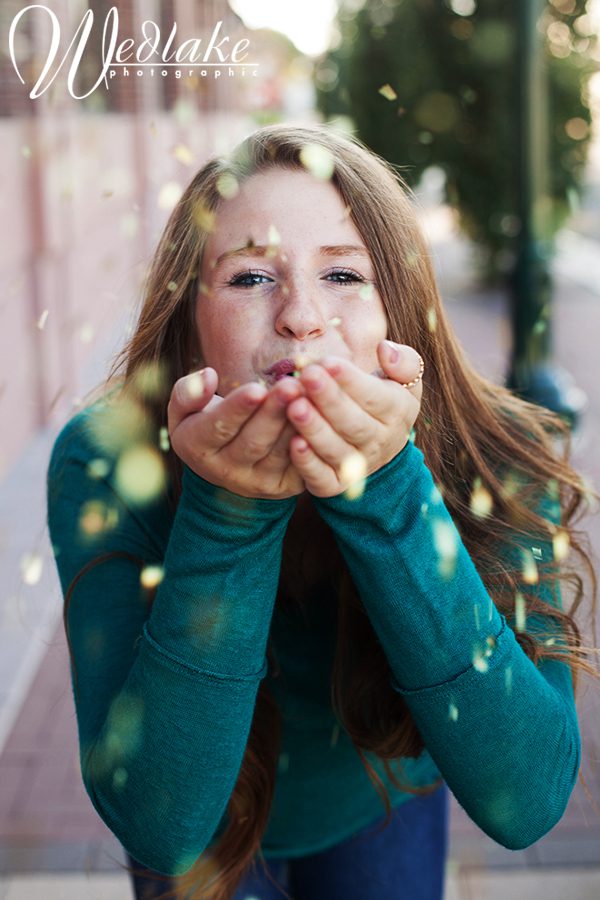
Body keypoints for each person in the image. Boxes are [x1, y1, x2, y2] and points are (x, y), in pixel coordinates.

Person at [46, 123, 597, 900]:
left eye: (343, 275)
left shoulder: (496, 453)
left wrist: (387, 491)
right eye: (247, 278)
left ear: (401, 312)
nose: (302, 317)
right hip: (207, 819)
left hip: (383, 789)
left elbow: (527, 802)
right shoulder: (105, 459)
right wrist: (229, 510)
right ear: (188, 323)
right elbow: (161, 826)